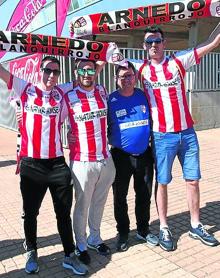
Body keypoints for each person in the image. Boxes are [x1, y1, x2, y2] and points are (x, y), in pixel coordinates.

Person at [131, 24, 220, 251]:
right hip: (162, 136)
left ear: (164, 43)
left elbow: (211, 43)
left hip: (187, 134)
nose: (154, 45)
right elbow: (108, 61)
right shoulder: (139, 69)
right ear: (144, 46)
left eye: (157, 41)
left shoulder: (178, 61)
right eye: (149, 42)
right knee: (162, 183)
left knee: (193, 180)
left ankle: (195, 224)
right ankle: (163, 227)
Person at [0, 56, 87, 275]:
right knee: (30, 213)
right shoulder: (25, 87)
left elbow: (85, 77)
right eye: (48, 70)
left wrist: (102, 59)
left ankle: (69, 255)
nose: (51, 76)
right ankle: (31, 250)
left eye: (56, 72)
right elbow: (2, 72)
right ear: (40, 70)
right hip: (32, 165)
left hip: (57, 164)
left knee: (63, 213)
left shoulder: (61, 92)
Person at [63, 59, 116, 265]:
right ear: (76, 72)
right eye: (82, 70)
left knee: (99, 203)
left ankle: (95, 238)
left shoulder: (102, 90)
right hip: (82, 162)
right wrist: (67, 135)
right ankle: (81, 244)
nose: (87, 74)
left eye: (91, 70)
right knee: (82, 206)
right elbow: (54, 120)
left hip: (105, 159)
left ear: (96, 71)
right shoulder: (69, 97)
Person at [107, 61, 158, 251]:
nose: (127, 80)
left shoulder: (143, 96)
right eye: (123, 77)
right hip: (120, 157)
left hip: (144, 154)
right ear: (116, 79)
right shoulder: (109, 101)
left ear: (135, 77)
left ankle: (143, 230)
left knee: (143, 194)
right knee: (120, 196)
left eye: (130, 75)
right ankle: (123, 233)